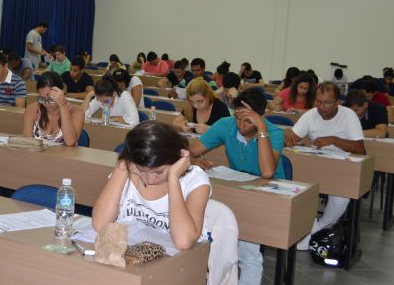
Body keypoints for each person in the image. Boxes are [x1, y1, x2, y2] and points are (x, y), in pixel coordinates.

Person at [92, 122, 239, 285]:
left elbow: (183, 242)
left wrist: (173, 177)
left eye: (159, 172)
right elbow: (100, 224)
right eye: (142, 171)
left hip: (180, 269)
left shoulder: (194, 180)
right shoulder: (129, 168)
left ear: (176, 159)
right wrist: (123, 165)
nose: (150, 179)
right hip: (134, 264)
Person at [189, 87, 285, 285]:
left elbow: (267, 172)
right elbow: (191, 151)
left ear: (260, 117)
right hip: (238, 191)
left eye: (248, 120)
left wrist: (262, 130)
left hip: (268, 197)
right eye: (237, 118)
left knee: (248, 253)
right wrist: (195, 160)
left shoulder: (274, 133)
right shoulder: (227, 125)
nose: (240, 125)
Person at [283, 82, 364, 250]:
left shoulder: (348, 116)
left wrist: (333, 140)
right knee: (293, 186)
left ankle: (317, 230)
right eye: (318, 102)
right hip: (316, 164)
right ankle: (301, 228)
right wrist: (287, 137)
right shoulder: (311, 115)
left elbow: (360, 149)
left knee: (341, 197)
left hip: (342, 168)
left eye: (327, 103)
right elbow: (293, 138)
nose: (321, 107)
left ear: (338, 103)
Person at [22, 72, 84, 146]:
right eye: (42, 99)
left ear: (62, 92)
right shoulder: (32, 109)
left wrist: (62, 105)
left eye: (51, 99)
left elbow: (70, 142)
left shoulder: (76, 112)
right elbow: (27, 143)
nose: (47, 103)